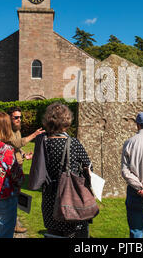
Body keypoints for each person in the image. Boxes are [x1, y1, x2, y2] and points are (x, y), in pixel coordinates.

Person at [40, 102, 93, 238]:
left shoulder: (43, 142)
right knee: (73, 233)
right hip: (70, 196)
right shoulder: (73, 143)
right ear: (66, 121)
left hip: (49, 196)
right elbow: (89, 166)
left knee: (53, 232)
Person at [6, 106, 43, 233]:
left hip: (18, 165)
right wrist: (34, 134)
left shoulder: (17, 130)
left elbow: (17, 147)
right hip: (11, 167)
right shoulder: (7, 130)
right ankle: (10, 224)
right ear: (9, 118)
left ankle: (14, 224)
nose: (19, 120)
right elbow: (16, 143)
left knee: (16, 196)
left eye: (20, 117)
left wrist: (23, 154)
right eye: (16, 117)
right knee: (11, 196)